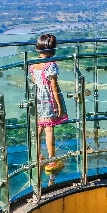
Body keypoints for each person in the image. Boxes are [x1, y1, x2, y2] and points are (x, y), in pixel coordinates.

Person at [29, 34, 68, 174]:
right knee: (49, 130)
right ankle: (52, 160)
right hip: (49, 100)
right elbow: (54, 87)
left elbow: (34, 83)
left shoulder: (33, 64)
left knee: (38, 129)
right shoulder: (50, 65)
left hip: (37, 100)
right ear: (52, 49)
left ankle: (37, 156)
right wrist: (59, 105)